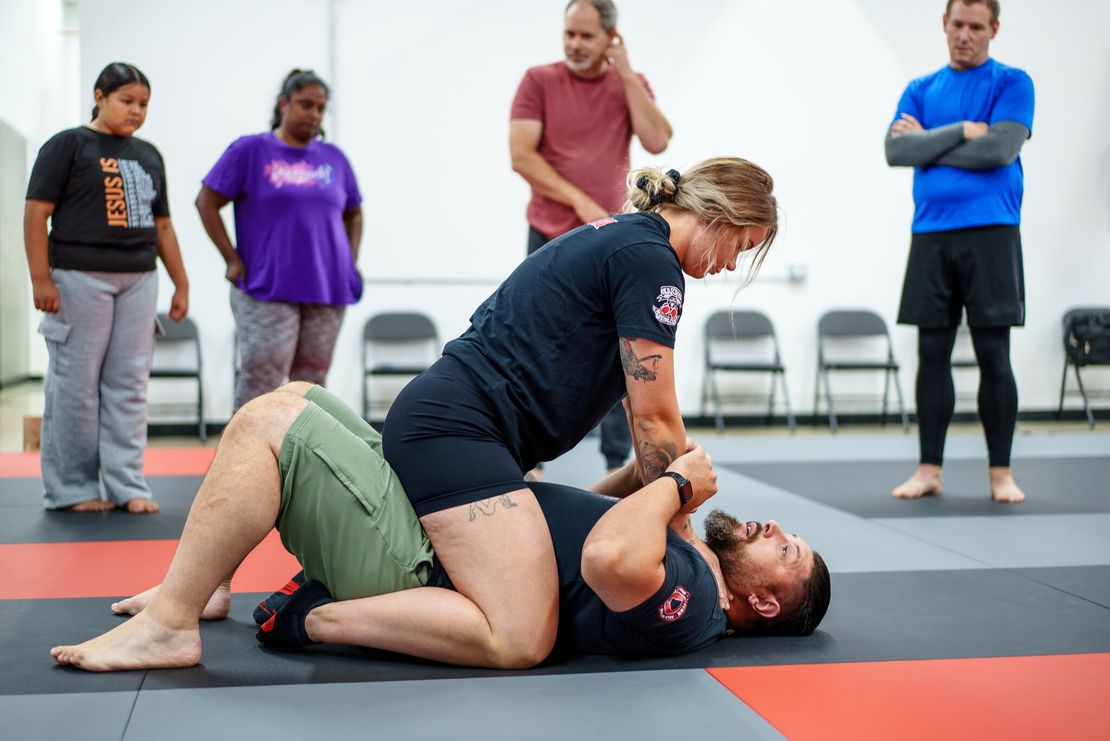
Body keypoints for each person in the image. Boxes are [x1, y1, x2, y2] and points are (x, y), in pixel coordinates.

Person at [49, 383, 830, 671]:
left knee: (267, 425)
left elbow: (606, 558)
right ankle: (205, 583)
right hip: (466, 530)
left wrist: (675, 485)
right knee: (303, 394)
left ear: (765, 602)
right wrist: (638, 479)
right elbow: (581, 525)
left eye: (785, 548)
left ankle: (174, 622)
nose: (772, 526)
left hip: (429, 565)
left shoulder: (696, 602)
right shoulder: (690, 559)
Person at [510, 0, 673, 475]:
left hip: (610, 241)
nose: (575, 44)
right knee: (535, 348)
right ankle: (526, 460)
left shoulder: (628, 82)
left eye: (586, 35)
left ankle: (618, 464)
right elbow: (522, 156)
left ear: (610, 37)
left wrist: (625, 73)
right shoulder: (538, 81)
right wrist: (578, 200)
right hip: (550, 234)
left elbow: (658, 140)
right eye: (570, 34)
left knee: (620, 350)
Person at [24, 62, 189, 514]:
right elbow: (36, 212)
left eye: (144, 104)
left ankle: (126, 483)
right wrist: (41, 278)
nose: (136, 111)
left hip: (139, 279)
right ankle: (72, 488)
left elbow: (163, 226)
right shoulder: (68, 145)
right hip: (79, 277)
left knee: (129, 384)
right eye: (126, 101)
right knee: (76, 387)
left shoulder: (149, 155)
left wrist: (181, 282)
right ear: (100, 97)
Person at [885, 0, 1033, 504]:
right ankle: (929, 470)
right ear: (943, 25)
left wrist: (928, 143)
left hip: (992, 231)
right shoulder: (921, 89)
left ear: (994, 29)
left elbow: (999, 150)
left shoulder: (1012, 83)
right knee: (931, 353)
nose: (965, 35)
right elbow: (896, 151)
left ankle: (1001, 474)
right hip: (931, 233)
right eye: (957, 24)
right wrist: (961, 131)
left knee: (994, 353)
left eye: (976, 26)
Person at [195, 69, 363, 411]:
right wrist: (231, 258)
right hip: (267, 287)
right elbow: (206, 202)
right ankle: (247, 448)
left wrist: (349, 262)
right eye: (305, 104)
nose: (314, 114)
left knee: (312, 384)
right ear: (284, 103)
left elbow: (354, 213)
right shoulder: (251, 150)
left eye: (321, 107)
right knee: (263, 381)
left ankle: (303, 447)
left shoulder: (334, 158)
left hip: (326, 288)